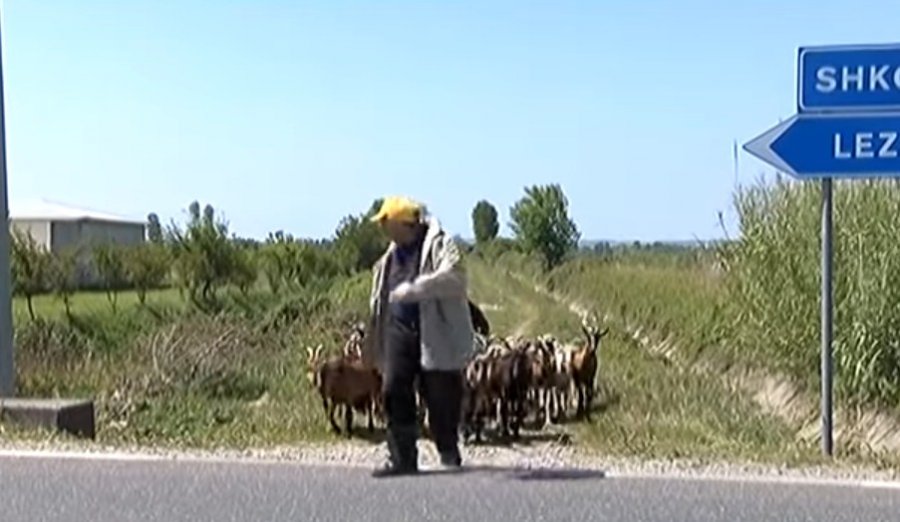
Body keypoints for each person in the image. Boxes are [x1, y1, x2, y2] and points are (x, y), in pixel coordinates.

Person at [361, 195, 475, 477]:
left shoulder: (439, 244)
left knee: (439, 396)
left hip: (433, 330)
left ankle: (448, 449)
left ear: (404, 224)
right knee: (393, 389)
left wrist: (416, 289)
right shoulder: (391, 254)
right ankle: (403, 458)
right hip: (399, 328)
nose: (383, 230)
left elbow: (456, 279)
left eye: (386, 223)